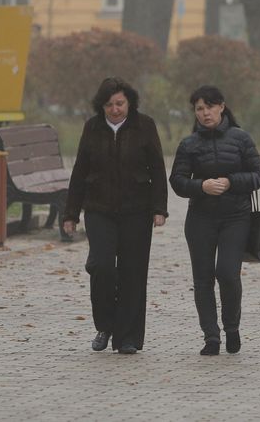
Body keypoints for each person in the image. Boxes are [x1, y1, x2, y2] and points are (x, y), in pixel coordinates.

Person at [62, 77, 168, 354]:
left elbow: (157, 169)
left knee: (133, 272)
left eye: (120, 103)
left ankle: (128, 337)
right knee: (101, 266)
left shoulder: (144, 126)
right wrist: (70, 213)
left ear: (129, 103)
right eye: (109, 104)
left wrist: (159, 208)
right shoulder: (93, 127)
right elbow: (79, 171)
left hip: (137, 210)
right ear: (102, 105)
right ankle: (105, 325)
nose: (115, 109)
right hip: (99, 210)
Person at [170, 85, 260, 356]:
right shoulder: (188, 144)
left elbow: (258, 175)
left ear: (221, 107)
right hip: (200, 219)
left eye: (210, 107)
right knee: (202, 279)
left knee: (227, 273)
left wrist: (230, 181)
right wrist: (201, 187)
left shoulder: (241, 139)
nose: (205, 113)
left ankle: (232, 328)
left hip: (236, 217)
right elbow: (177, 181)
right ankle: (211, 336)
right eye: (199, 109)